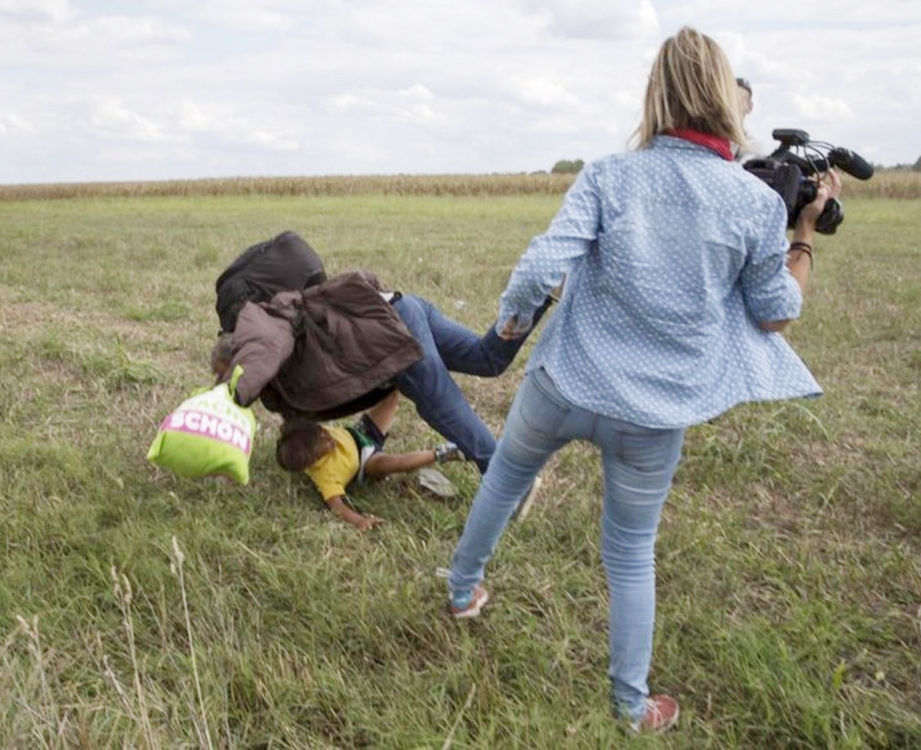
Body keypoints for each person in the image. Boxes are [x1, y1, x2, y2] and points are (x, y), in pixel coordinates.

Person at [443, 26, 842, 734]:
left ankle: (461, 591)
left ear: (656, 94)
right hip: (654, 414)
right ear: (728, 100)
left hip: (564, 382)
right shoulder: (755, 204)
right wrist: (802, 231)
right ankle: (631, 705)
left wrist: (509, 326)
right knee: (629, 552)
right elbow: (777, 313)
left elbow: (540, 268)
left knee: (504, 479)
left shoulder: (608, 174)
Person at [213, 267, 554, 477]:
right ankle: (536, 294)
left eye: (225, 373)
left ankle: (508, 479)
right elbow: (298, 426)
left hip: (388, 333)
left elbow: (261, 355)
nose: (223, 381)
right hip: (399, 308)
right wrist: (227, 458)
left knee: (439, 403)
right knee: (486, 359)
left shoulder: (263, 335)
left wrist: (228, 396)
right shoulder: (281, 388)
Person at [274, 390, 465, 531]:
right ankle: (444, 453)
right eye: (323, 441)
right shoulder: (326, 476)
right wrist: (359, 520)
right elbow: (337, 507)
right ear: (314, 458)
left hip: (362, 433)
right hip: (366, 462)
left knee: (391, 394)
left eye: (322, 431)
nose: (327, 435)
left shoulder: (310, 435)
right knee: (389, 464)